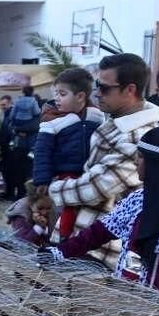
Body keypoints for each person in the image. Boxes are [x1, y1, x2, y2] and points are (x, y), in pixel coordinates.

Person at [43, 126, 159, 297]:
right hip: (124, 296)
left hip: (157, 309)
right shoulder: (138, 199)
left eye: (142, 157)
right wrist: (60, 252)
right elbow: (98, 232)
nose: (136, 161)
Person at [48, 53, 159, 253]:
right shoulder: (117, 121)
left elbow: (96, 188)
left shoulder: (140, 135)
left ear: (130, 90)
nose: (97, 93)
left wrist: (51, 190)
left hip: (100, 249)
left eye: (104, 88)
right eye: (97, 86)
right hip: (81, 237)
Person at [29, 67, 103, 237]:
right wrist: (42, 180)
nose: (57, 99)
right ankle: (62, 241)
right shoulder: (52, 120)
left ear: (80, 96)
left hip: (91, 173)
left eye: (62, 94)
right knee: (67, 210)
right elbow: (42, 151)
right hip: (64, 174)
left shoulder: (96, 116)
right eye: (56, 93)